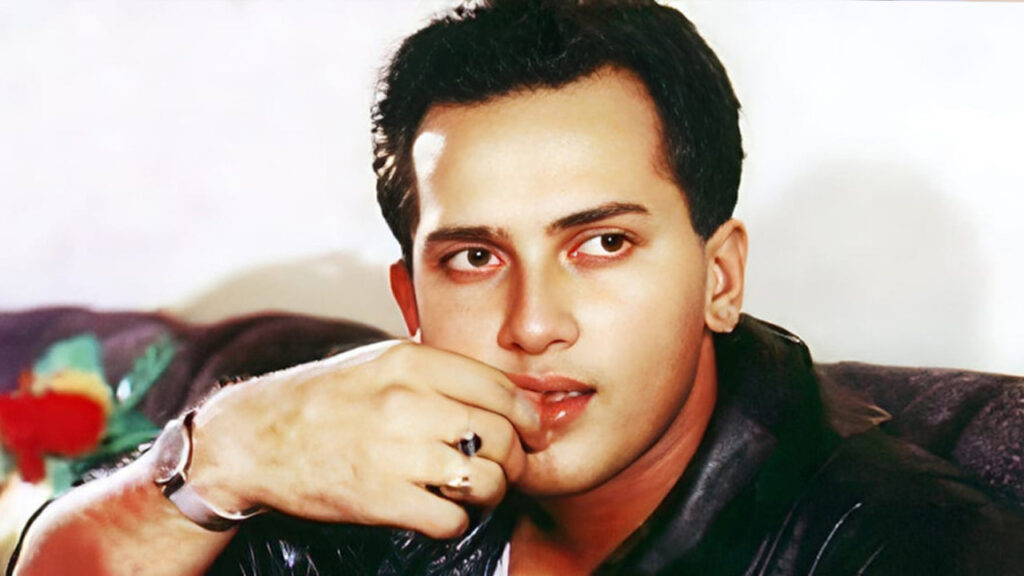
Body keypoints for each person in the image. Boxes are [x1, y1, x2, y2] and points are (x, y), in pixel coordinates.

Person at [8, 1, 1024, 574]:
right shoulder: (360, 481)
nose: (533, 326)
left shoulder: (901, 548)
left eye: (602, 244)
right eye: (474, 259)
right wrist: (222, 455)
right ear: (410, 305)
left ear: (719, 277)